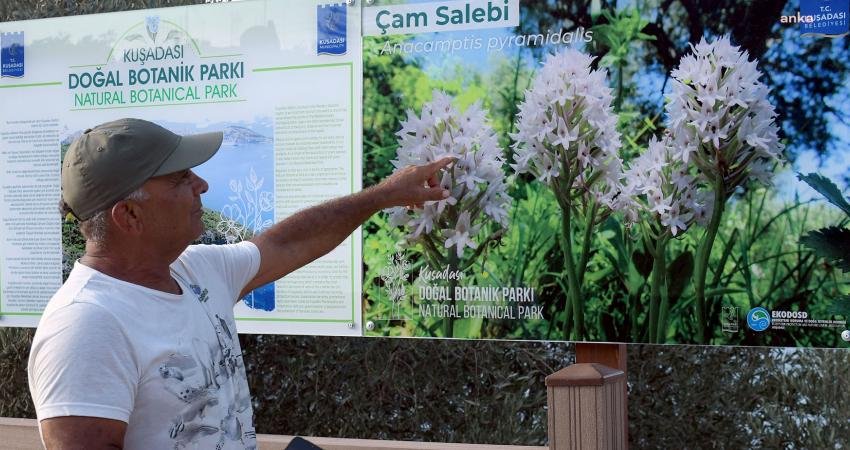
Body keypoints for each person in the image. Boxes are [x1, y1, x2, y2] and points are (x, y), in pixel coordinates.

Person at [28, 118, 452, 449]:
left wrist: (384, 195)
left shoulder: (196, 271)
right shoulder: (85, 326)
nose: (202, 185)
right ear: (129, 216)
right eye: (180, 179)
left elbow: (290, 241)